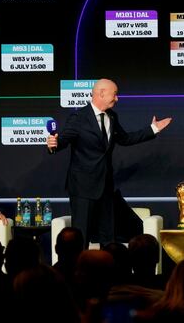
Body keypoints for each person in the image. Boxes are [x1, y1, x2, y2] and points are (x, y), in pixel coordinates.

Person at [46, 78, 171, 247]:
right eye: (115, 94)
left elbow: (125, 139)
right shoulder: (79, 117)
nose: (117, 98)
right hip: (83, 187)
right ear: (101, 93)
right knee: (82, 236)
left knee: (108, 237)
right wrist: (53, 145)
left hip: (105, 187)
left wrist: (153, 129)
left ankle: (108, 263)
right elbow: (63, 140)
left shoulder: (112, 116)